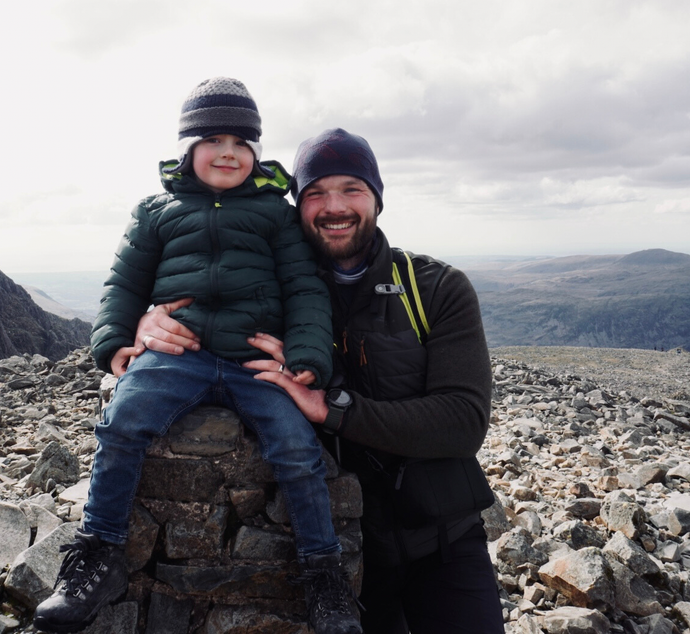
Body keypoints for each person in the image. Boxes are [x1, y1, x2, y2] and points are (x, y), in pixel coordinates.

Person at [129, 128, 505, 633]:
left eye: (352, 189)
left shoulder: (435, 288)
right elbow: (188, 301)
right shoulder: (267, 295)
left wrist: (333, 407)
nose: (334, 207)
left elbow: (462, 422)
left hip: (444, 541)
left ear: (376, 199)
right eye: (315, 193)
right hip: (348, 544)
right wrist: (148, 321)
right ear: (296, 205)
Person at [33, 79, 360, 634]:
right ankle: (98, 553)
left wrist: (307, 353)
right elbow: (124, 283)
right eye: (213, 140)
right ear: (187, 148)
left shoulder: (276, 214)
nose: (228, 152)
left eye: (241, 142)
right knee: (122, 423)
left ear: (256, 152)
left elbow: (304, 287)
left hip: (253, 360)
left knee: (296, 448)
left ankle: (323, 573)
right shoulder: (155, 210)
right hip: (176, 355)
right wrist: (113, 341)